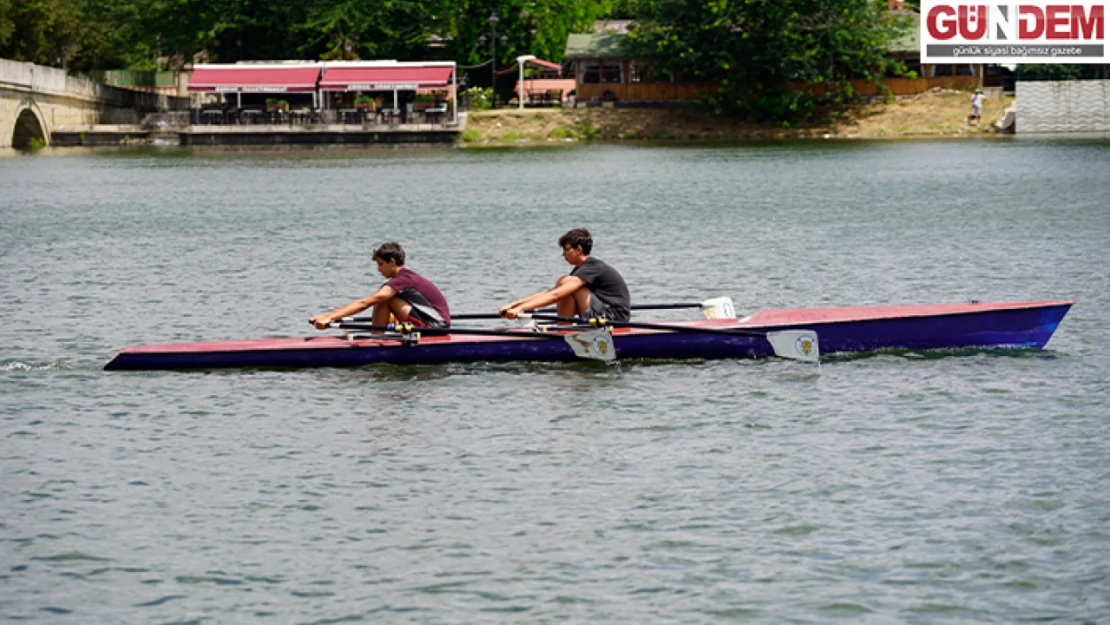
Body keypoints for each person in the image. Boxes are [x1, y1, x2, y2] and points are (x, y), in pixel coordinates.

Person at [499, 228, 631, 322]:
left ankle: (563, 330)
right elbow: (551, 292)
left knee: (565, 283)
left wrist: (521, 309)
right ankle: (563, 328)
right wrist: (514, 305)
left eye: (566, 250)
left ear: (578, 249)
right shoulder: (580, 270)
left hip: (614, 318)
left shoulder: (592, 267)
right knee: (565, 284)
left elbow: (556, 295)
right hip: (604, 312)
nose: (563, 254)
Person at [311, 242, 450, 330]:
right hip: (431, 322)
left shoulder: (404, 279)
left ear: (392, 262)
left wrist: (329, 317)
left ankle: (376, 339)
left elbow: (365, 303)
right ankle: (376, 335)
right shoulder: (404, 278)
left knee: (382, 298)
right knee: (382, 297)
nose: (378, 269)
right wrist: (328, 316)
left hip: (435, 326)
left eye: (380, 264)